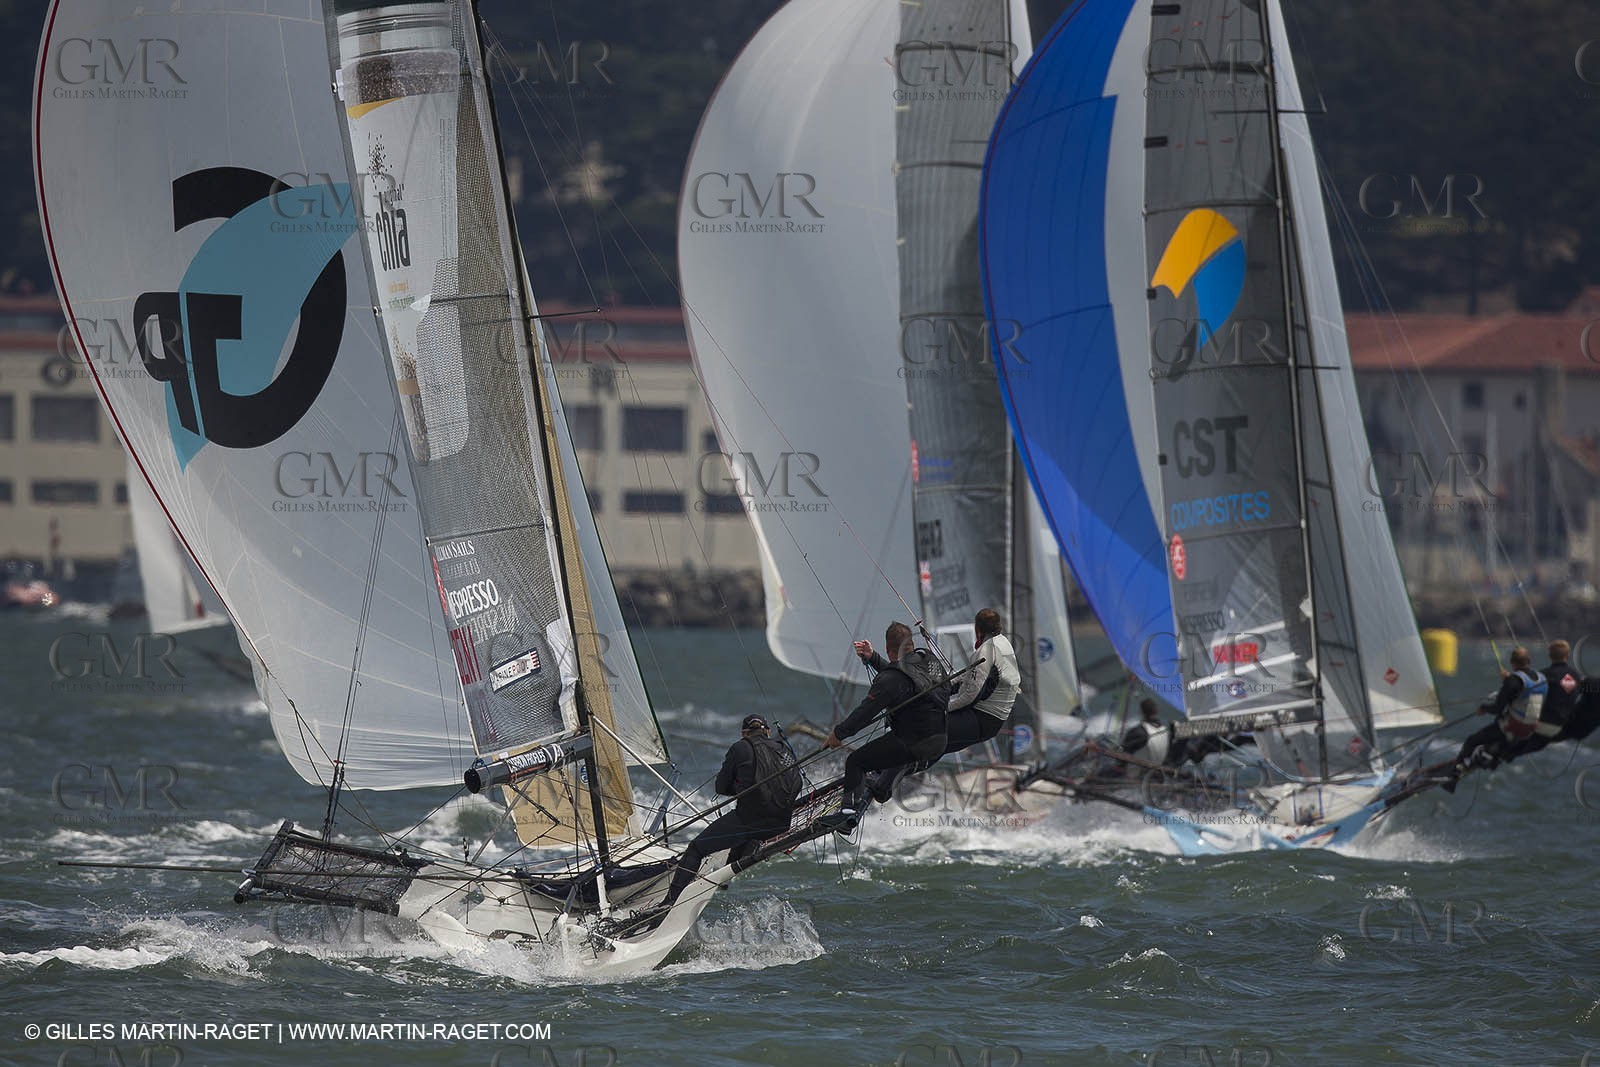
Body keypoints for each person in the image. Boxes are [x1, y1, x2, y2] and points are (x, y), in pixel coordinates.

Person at [651, 715, 800, 915]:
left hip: (749, 821)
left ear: (744, 733)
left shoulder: (741, 747)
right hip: (780, 823)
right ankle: (725, 880)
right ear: (768, 732)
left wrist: (741, 788)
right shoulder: (783, 748)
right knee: (747, 835)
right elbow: (796, 782)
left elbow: (721, 787)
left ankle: (669, 903)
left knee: (696, 848)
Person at [817, 621, 948, 832]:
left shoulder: (890, 680)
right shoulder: (929, 661)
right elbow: (907, 678)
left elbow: (865, 713)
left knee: (856, 762)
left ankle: (846, 815)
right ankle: (882, 789)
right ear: (911, 644)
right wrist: (873, 658)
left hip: (913, 744)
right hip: (940, 741)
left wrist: (838, 734)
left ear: (889, 649)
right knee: (884, 764)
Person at [1444, 647, 1547, 793]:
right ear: (1529, 661)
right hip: (1530, 730)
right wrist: (1509, 680)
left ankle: (1452, 779)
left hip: (1513, 727)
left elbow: (1498, 708)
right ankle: (1491, 759)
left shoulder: (1513, 681)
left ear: (1512, 662)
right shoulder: (1542, 679)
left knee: (1472, 741)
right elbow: (1524, 692)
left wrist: (1484, 708)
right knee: (1494, 741)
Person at [1505, 640, 1581, 761]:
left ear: (1550, 655)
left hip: (1540, 725)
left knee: (1511, 717)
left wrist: (1508, 680)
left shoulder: (1544, 675)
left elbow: (1519, 690)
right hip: (1559, 727)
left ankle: (1499, 751)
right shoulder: (1577, 676)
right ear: (1567, 655)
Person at [1121, 699, 1172, 766]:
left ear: (1141, 711)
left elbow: (1123, 754)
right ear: (1156, 712)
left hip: (1137, 771)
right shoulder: (1165, 731)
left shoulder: (1138, 731)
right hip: (1158, 771)